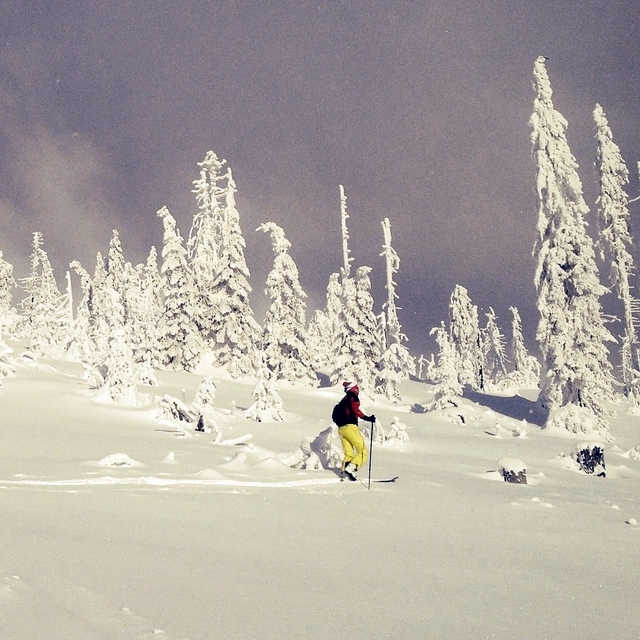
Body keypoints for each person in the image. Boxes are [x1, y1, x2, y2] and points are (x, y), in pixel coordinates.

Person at [332, 381, 376, 481]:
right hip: (351, 427)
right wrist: (366, 418)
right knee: (362, 451)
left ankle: (344, 473)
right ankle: (351, 468)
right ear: (354, 389)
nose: (358, 390)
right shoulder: (353, 397)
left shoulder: (344, 399)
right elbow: (354, 408)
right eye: (357, 388)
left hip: (341, 429)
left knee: (349, 454)